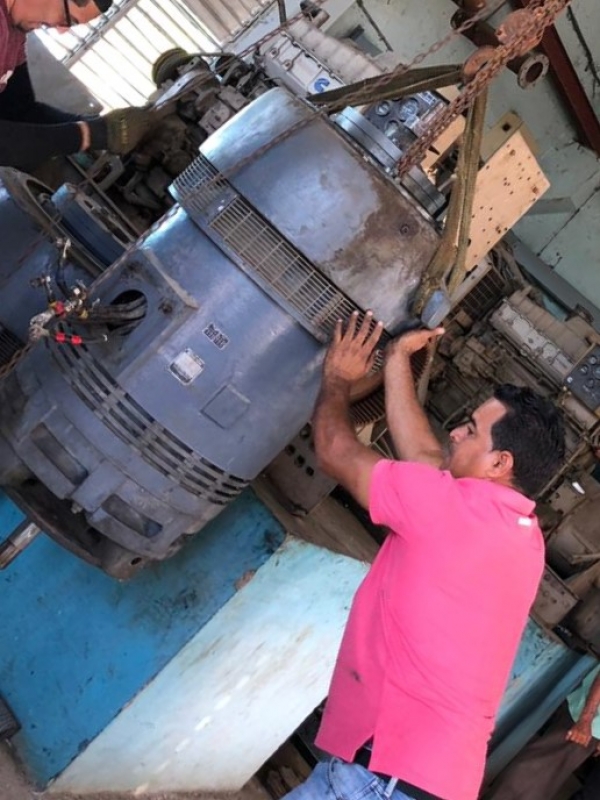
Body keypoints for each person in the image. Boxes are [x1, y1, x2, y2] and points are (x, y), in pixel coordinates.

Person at [286, 312, 565, 800]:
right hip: (433, 784)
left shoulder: (446, 510)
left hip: (375, 783)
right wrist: (396, 361)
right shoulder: (519, 534)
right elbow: (426, 462)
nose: (455, 432)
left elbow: (333, 449)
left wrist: (338, 377)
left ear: (501, 463)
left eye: (472, 430)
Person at [0, 0, 153, 169]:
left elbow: (21, 109)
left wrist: (96, 127)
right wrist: (89, 135)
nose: (61, 30)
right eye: (67, 19)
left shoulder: (15, 37)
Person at [484, 663, 600, 800]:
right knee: (535, 772)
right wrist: (586, 719)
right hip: (586, 722)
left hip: (591, 726)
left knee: (545, 777)